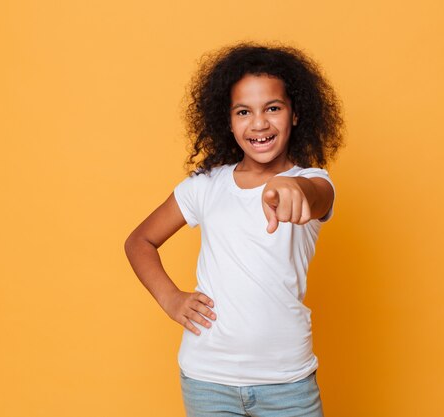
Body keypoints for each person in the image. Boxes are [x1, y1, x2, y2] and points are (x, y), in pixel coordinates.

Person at [124, 42, 344, 417]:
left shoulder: (312, 181)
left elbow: (317, 197)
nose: (259, 123)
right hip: (207, 380)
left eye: (272, 108)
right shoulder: (206, 186)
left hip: (287, 382)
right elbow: (139, 241)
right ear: (227, 121)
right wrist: (171, 299)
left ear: (295, 114)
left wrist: (293, 188)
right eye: (244, 111)